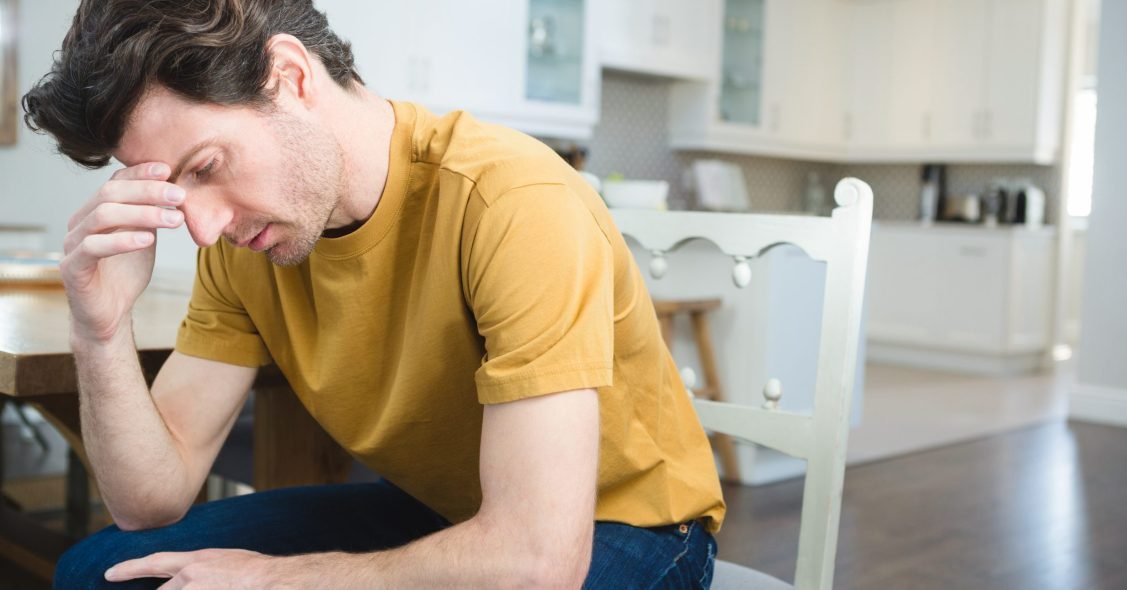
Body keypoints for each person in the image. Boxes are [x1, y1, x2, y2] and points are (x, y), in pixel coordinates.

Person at [23, 1, 725, 587]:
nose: (200, 228)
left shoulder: (513, 200)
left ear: (291, 77)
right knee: (104, 569)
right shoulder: (247, 243)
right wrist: (100, 329)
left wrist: (272, 579)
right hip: (449, 511)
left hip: (628, 529)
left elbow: (538, 563)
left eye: (205, 167)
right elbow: (150, 500)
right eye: (175, 189)